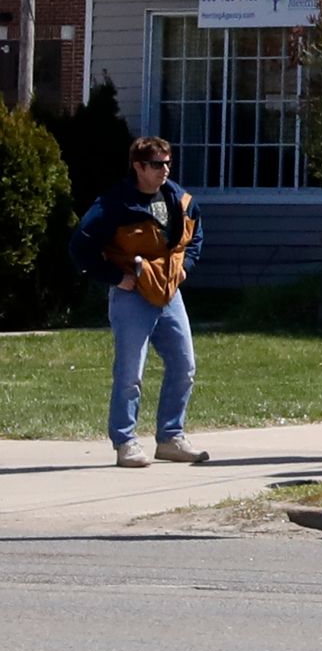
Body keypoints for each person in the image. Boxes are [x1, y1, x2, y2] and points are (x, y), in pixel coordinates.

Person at [75, 135, 205, 470]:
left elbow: (195, 238)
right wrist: (116, 277)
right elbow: (80, 247)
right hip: (131, 296)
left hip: (169, 294)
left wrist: (184, 271)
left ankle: (171, 437)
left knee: (184, 366)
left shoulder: (179, 199)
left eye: (167, 163)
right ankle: (125, 441)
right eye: (157, 164)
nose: (165, 170)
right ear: (138, 166)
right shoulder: (113, 204)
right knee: (130, 371)